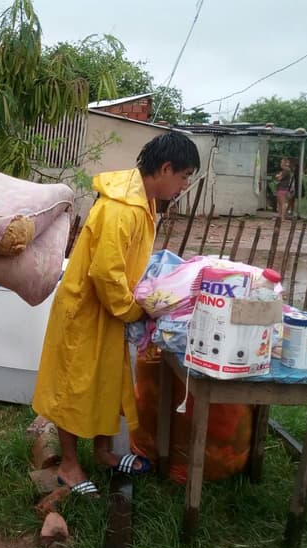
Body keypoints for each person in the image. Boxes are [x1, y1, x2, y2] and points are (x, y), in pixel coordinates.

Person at [32, 131, 200, 495]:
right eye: (184, 175)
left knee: (107, 380)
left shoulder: (143, 201)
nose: (185, 185)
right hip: (87, 310)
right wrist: (133, 310)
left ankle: (103, 452)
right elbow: (106, 273)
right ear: (166, 168)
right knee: (74, 385)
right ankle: (69, 464)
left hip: (109, 310)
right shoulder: (121, 208)